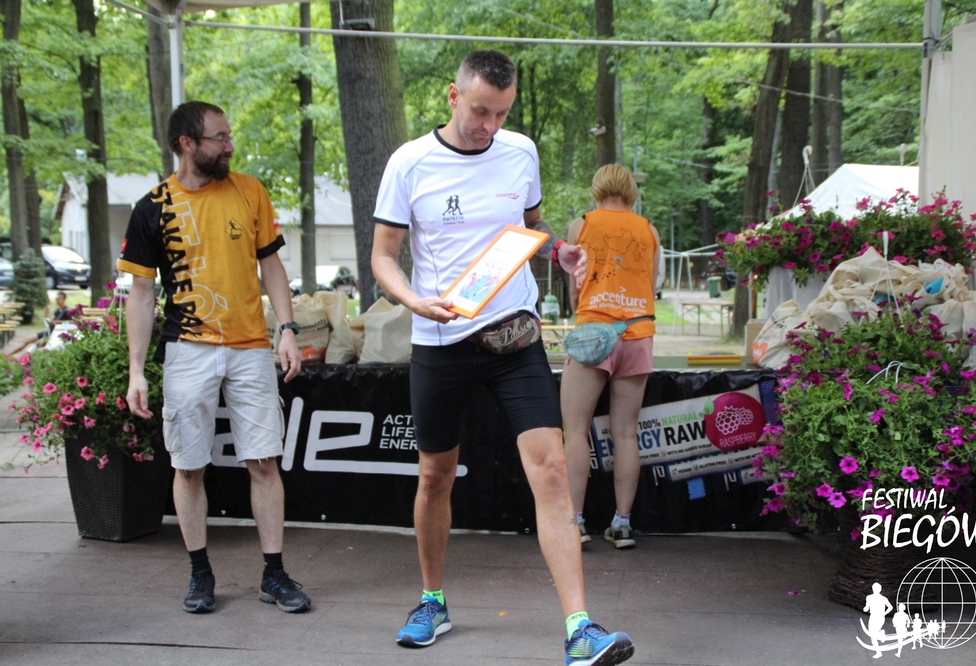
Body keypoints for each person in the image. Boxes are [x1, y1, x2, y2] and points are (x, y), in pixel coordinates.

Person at [371, 49, 635, 665]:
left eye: (502, 113)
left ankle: (580, 629)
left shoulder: (520, 151)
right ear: (452, 96)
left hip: (514, 336)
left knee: (551, 469)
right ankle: (431, 601)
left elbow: (531, 228)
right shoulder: (409, 162)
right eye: (480, 111)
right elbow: (383, 255)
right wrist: (413, 299)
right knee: (435, 476)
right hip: (440, 339)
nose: (490, 126)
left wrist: (560, 252)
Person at [118, 101, 310, 615]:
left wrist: (287, 330)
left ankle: (274, 574)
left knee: (264, 461)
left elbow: (271, 266)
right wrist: (137, 371)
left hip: (250, 349)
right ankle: (200, 573)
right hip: (187, 351)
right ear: (186, 143)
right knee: (188, 466)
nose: (229, 146)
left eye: (228, 136)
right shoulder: (153, 207)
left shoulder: (249, 190)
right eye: (219, 138)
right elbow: (141, 294)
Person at [561, 165, 659, 550]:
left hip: (592, 331)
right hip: (638, 334)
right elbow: (651, 285)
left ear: (597, 188)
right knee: (626, 433)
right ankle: (622, 524)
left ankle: (575, 523)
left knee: (575, 432)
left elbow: (575, 287)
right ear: (631, 191)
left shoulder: (581, 225)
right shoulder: (649, 230)